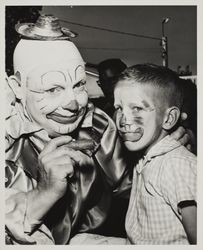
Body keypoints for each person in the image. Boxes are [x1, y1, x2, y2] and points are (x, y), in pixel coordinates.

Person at [5, 14, 191, 245]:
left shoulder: (98, 125)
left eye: (79, 84)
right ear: (17, 87)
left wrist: (161, 149)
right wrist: (43, 193)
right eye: (53, 88)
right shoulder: (7, 145)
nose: (73, 103)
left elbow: (130, 187)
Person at [70, 64, 197, 244]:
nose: (123, 120)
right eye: (119, 108)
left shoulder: (177, 165)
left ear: (169, 119)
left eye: (136, 108)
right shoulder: (142, 155)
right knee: (78, 241)